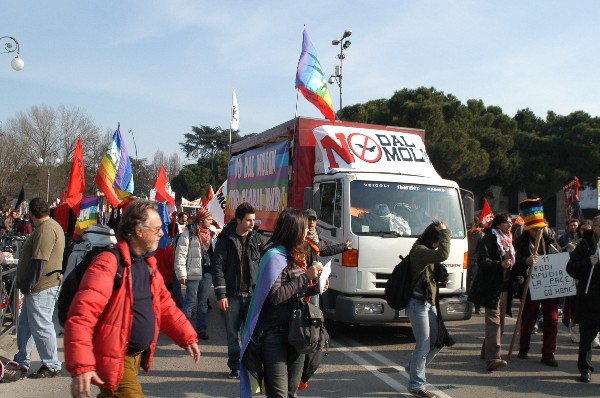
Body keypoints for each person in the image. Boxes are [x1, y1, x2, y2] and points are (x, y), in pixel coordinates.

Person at [65, 199, 200, 397]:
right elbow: (81, 315)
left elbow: (165, 305)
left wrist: (186, 336)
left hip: (133, 358)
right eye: (156, 229)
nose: (162, 233)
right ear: (138, 230)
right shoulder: (109, 263)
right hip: (115, 357)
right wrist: (81, 365)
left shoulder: (147, 264)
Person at [240, 208, 324, 398]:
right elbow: (276, 296)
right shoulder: (274, 256)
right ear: (294, 229)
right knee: (278, 393)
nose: (307, 232)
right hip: (273, 334)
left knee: (290, 391)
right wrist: (306, 277)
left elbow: (295, 292)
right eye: (303, 228)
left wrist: (315, 287)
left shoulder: (294, 254)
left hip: (296, 331)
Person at [12, 198, 65, 378]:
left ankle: (51, 364)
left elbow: (39, 261)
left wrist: (28, 284)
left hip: (41, 286)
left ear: (31, 214)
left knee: (41, 326)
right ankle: (22, 359)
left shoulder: (46, 230)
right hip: (39, 286)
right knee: (27, 326)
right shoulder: (49, 227)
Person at [211, 202, 263, 379]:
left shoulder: (256, 239)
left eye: (254, 220)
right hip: (231, 296)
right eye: (248, 220)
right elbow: (217, 267)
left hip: (252, 295)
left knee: (250, 333)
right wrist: (221, 294)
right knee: (233, 334)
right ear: (239, 220)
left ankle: (249, 365)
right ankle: (234, 366)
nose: (252, 224)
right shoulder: (225, 239)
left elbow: (265, 263)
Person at [405, 220, 451, 398]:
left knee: (437, 341)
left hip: (428, 303)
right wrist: (444, 234)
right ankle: (416, 385)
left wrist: (440, 276)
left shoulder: (425, 249)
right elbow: (443, 254)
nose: (438, 245)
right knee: (423, 343)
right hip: (417, 304)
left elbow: (432, 268)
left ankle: (413, 367)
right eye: (438, 241)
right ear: (433, 240)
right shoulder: (419, 250)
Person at [513, 199, 560, 367]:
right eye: (535, 229)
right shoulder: (521, 244)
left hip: (550, 287)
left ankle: (548, 354)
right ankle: (523, 348)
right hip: (530, 287)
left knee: (552, 320)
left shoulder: (551, 243)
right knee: (528, 319)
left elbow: (560, 260)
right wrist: (525, 261)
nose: (538, 232)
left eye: (541, 229)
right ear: (528, 230)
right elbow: (515, 265)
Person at [468, 213, 515, 372]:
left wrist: (517, 276)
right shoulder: (489, 239)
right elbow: (482, 261)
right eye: (507, 223)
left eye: (511, 223)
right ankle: (493, 358)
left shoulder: (509, 241)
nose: (510, 225)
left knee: (500, 324)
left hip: (504, 288)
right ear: (498, 224)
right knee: (493, 324)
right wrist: (499, 265)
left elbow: (511, 265)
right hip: (491, 287)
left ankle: (485, 352)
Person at [566, 215, 600, 383]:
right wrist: (588, 261)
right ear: (594, 227)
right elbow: (571, 268)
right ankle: (585, 369)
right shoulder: (584, 245)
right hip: (589, 299)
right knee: (586, 338)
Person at [175, 208, 215, 340]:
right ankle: (181, 330)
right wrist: (182, 275)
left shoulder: (212, 235)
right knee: (190, 302)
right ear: (202, 220)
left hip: (207, 272)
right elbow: (180, 255)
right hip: (192, 272)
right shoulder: (188, 235)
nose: (210, 222)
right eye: (208, 219)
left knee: (203, 303)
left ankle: (201, 329)